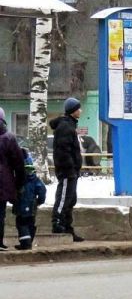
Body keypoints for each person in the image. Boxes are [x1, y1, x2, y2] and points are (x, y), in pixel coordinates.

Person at [50, 97, 84, 242]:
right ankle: (57, 223)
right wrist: (70, 167)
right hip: (67, 171)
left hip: (72, 171)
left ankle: (67, 227)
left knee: (70, 198)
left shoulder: (70, 125)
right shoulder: (65, 126)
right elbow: (63, 150)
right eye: (78, 108)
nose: (80, 111)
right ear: (72, 111)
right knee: (64, 197)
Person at [0, 106, 25, 251]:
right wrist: (19, 184)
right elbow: (19, 164)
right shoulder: (9, 138)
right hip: (4, 183)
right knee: (0, 212)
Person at [12, 149, 46, 251]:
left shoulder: (19, 179)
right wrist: (40, 200)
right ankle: (29, 241)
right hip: (32, 205)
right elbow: (42, 190)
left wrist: (13, 200)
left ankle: (25, 243)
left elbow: (14, 190)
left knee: (21, 223)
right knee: (31, 223)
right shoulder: (35, 179)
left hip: (21, 205)